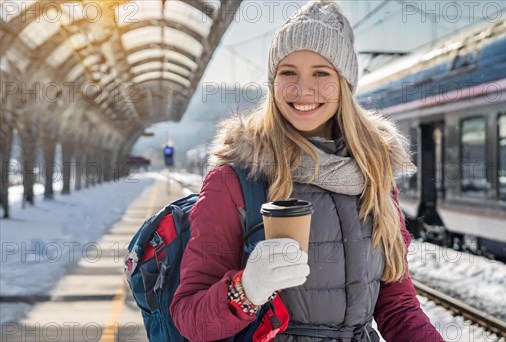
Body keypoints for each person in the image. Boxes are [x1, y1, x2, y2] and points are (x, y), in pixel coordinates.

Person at [170, 1, 444, 341]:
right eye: (288, 72)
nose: (303, 90)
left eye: (321, 73)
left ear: (344, 83)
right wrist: (247, 288)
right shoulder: (236, 179)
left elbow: (397, 306)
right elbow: (190, 319)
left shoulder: (373, 175)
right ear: (272, 82)